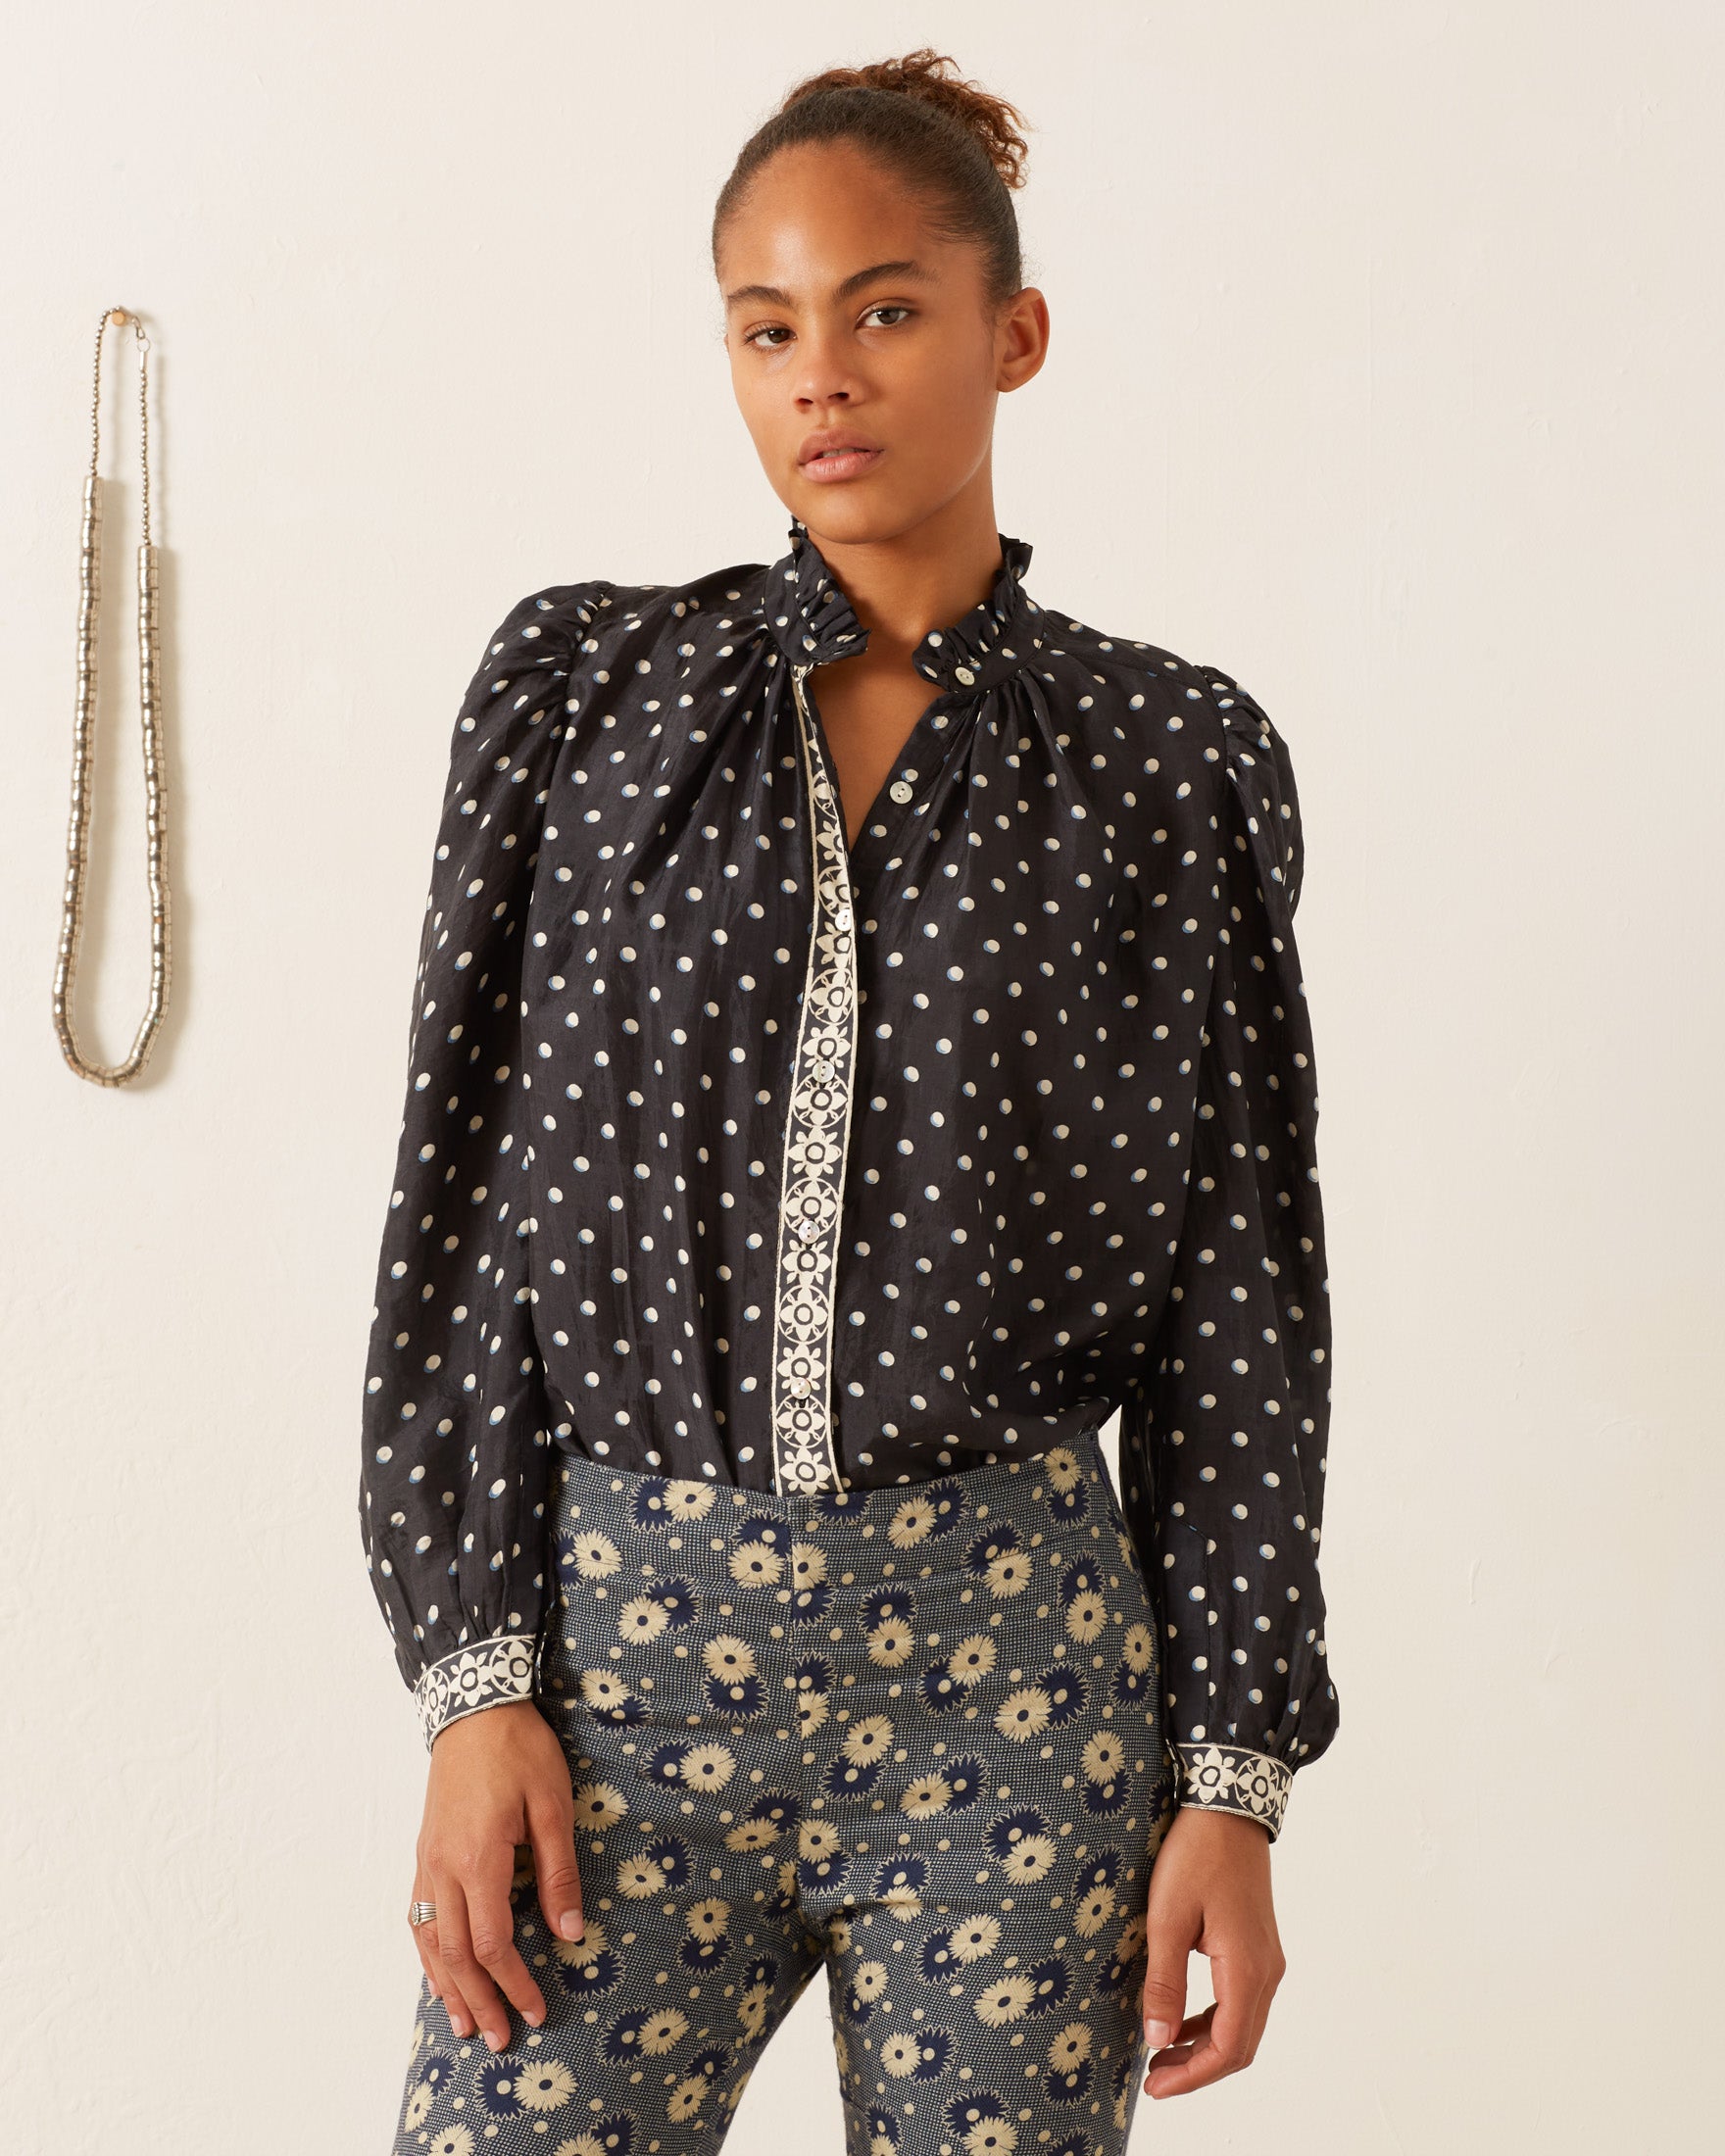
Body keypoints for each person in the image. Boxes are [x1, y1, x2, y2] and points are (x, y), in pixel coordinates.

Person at [359, 49, 1338, 2155]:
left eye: (885, 311)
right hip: (616, 1671)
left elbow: (1240, 1295)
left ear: (1013, 333)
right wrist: (471, 1675)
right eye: (767, 324)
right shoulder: (581, 699)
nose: (824, 376)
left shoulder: (1167, 758)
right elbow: (456, 1208)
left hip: (1017, 1694)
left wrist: (1229, 1781)